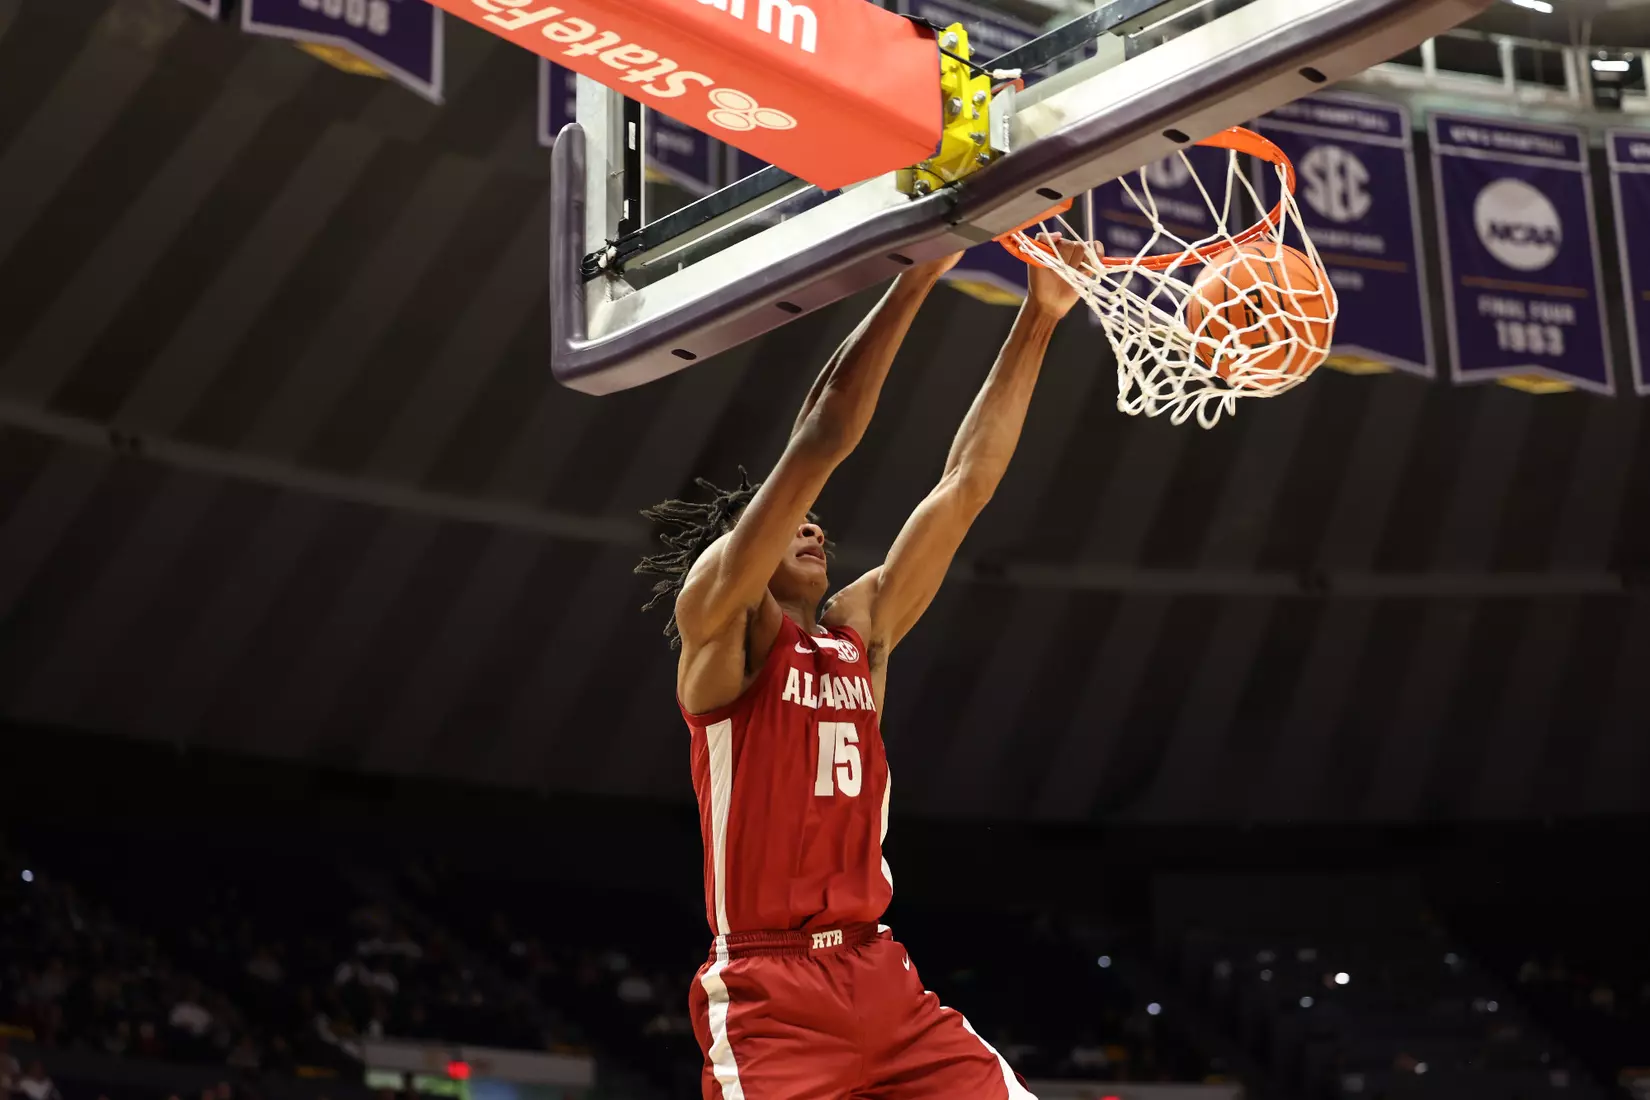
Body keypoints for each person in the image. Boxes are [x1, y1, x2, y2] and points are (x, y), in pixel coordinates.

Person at [636, 238, 1088, 1100]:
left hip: (879, 970)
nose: (814, 529)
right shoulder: (721, 628)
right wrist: (919, 269)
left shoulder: (861, 633)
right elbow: (822, 437)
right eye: (792, 523)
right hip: (771, 993)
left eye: (817, 524)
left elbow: (965, 484)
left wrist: (1041, 316)